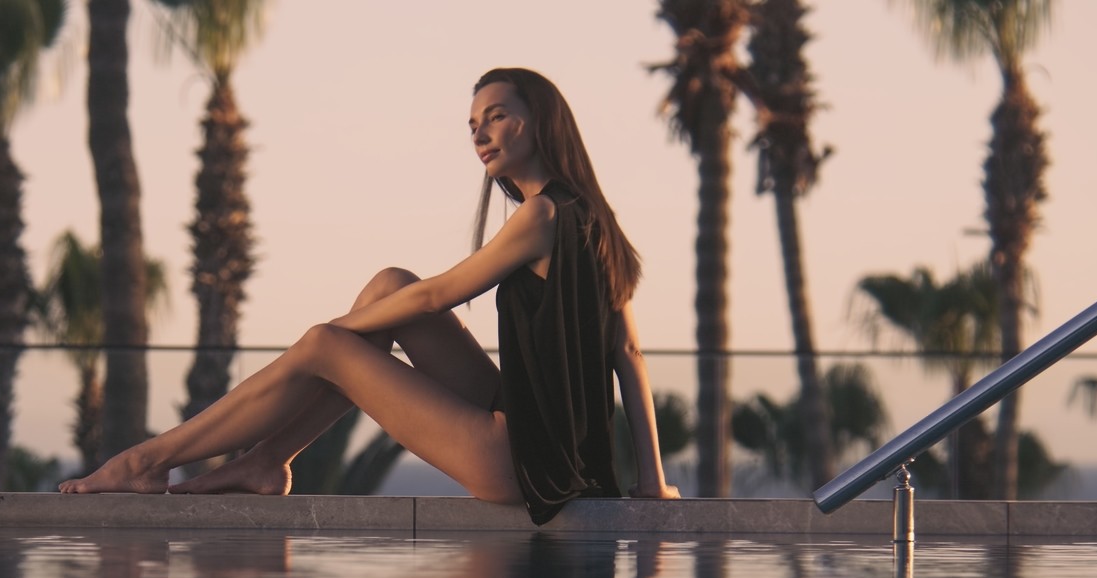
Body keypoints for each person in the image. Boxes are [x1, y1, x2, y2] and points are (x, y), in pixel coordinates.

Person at [60, 67, 681, 522]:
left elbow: (437, 297)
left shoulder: (540, 216)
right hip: (539, 434)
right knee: (389, 285)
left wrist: (326, 344)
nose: (480, 133)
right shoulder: (594, 216)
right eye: (472, 125)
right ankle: (267, 459)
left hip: (517, 460)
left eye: (496, 115)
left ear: (540, 119)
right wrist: (650, 481)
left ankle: (150, 459)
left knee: (333, 339)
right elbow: (629, 353)